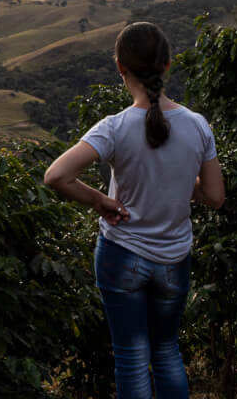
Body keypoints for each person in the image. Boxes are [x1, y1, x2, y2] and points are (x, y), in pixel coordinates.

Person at [44, 21, 225, 399]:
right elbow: (214, 196)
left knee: (130, 357)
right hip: (174, 260)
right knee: (167, 352)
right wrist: (177, 183)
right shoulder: (197, 126)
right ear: (168, 65)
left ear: (119, 67)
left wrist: (100, 200)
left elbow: (57, 175)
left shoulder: (114, 128)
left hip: (122, 255)